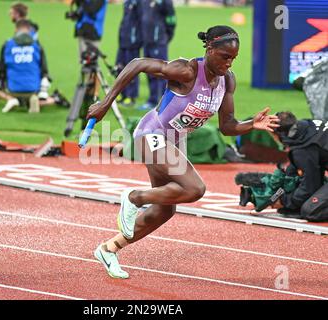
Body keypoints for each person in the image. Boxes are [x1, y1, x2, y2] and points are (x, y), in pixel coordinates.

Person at [87, 25, 279, 279]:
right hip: (150, 134)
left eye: (233, 58)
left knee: (166, 208)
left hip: (171, 143)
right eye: (224, 57)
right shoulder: (186, 70)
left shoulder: (226, 81)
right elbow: (137, 63)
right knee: (195, 188)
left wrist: (251, 124)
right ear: (209, 49)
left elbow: (227, 126)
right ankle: (133, 198)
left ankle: (109, 249)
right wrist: (106, 102)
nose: (229, 64)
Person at [0, 19, 69, 113]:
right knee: (34, 92)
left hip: (13, 89)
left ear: (16, 29)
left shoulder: (7, 45)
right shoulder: (37, 45)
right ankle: (48, 100)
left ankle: (11, 99)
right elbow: (44, 70)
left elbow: (2, 70)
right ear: (29, 30)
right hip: (33, 89)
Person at [270, 112, 328, 222]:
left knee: (310, 210)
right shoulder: (306, 127)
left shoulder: (302, 148)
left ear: (280, 134)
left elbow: (310, 186)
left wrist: (284, 201)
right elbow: (296, 169)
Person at [137, 0, 176, 111]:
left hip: (158, 41)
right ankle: (153, 100)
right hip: (147, 41)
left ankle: (159, 101)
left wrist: (165, 36)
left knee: (160, 72)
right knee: (149, 71)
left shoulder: (165, 2)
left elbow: (171, 20)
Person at [114, 0, 142, 107]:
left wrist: (137, 39)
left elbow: (141, 22)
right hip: (123, 41)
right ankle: (122, 93)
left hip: (133, 42)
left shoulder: (138, 3)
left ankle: (131, 96)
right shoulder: (127, 2)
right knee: (119, 68)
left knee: (132, 70)